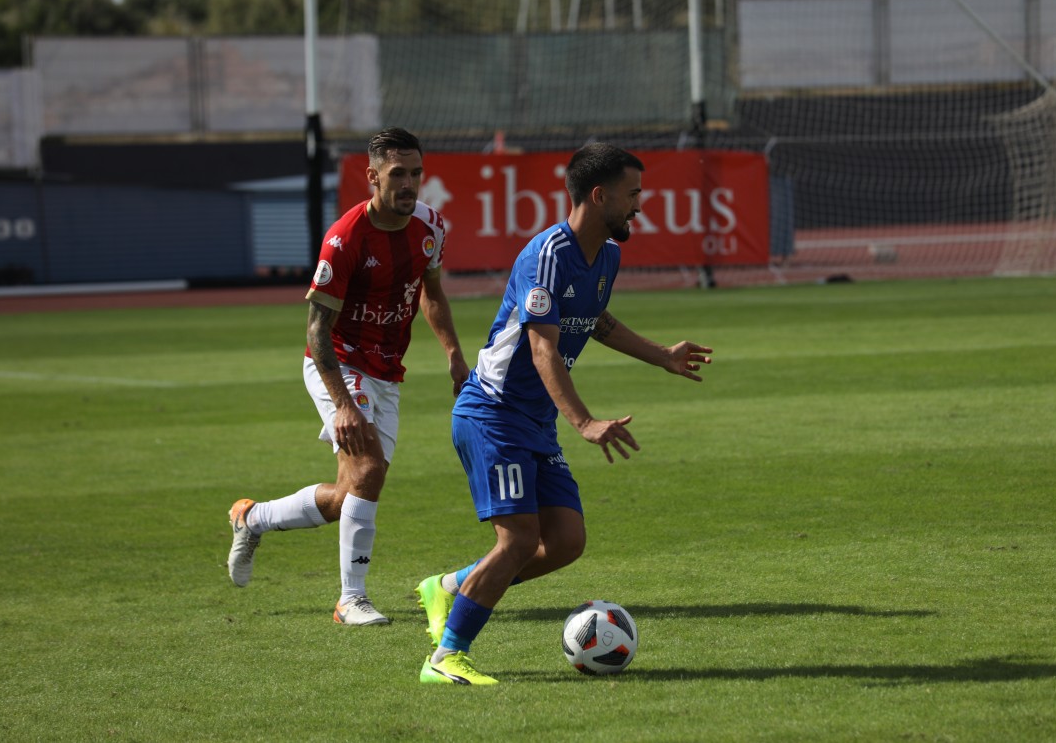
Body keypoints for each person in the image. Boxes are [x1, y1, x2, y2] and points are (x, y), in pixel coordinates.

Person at [414, 143, 713, 684]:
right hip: (493, 413)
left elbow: (597, 320)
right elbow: (542, 349)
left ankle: (452, 586)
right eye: (632, 195)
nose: (639, 206)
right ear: (599, 196)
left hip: (531, 421)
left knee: (567, 541)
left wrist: (662, 355)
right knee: (520, 540)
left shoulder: (608, 256)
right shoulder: (547, 254)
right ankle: (445, 657)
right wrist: (585, 423)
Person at [227, 127, 469, 626]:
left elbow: (432, 292)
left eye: (416, 173)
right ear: (372, 177)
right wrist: (342, 403)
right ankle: (350, 599)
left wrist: (453, 354)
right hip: (337, 362)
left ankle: (251, 518)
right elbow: (317, 330)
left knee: (348, 496)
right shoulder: (345, 238)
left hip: (387, 371)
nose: (409, 184)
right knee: (370, 471)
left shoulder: (431, 228)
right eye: (397, 174)